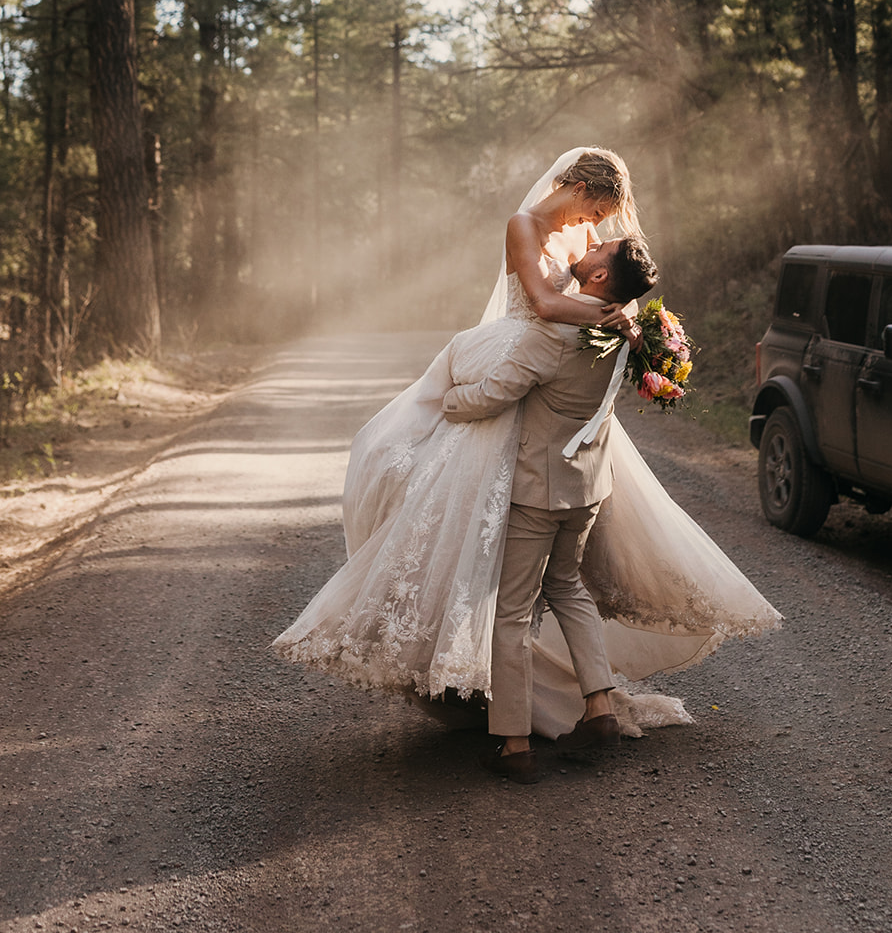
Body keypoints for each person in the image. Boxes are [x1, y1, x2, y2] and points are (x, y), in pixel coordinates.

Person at [272, 147, 781, 744]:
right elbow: (541, 303)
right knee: (454, 511)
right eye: (594, 210)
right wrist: (610, 318)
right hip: (522, 354)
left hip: (550, 381)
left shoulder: (586, 238)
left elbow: (612, 284)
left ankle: (518, 732)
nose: (593, 225)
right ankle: (498, 677)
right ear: (577, 187)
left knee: (544, 577)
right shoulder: (524, 226)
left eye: (600, 218)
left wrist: (629, 323)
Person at [440, 236, 660, 783]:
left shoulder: (554, 334)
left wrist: (446, 401)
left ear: (601, 277)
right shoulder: (625, 329)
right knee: (566, 586)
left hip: (538, 490)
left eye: (601, 248)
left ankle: (513, 745)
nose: (591, 244)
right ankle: (600, 708)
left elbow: (496, 392)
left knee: (512, 610)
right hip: (587, 487)